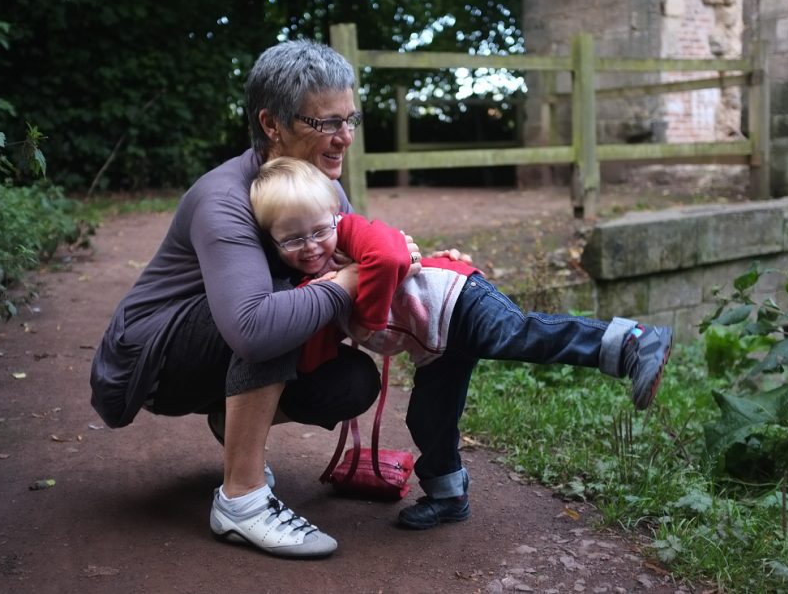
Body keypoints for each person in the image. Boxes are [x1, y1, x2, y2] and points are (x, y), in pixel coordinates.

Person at [89, 40, 427, 558]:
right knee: (275, 307)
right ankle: (241, 501)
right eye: (326, 123)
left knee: (352, 380)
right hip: (151, 361)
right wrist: (348, 282)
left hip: (222, 346)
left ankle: (232, 423)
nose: (345, 137)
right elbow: (256, 328)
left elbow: (361, 270)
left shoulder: (323, 189)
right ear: (272, 124)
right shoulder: (223, 198)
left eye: (350, 119)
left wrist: (413, 267)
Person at [249, 156, 674, 530]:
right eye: (293, 239)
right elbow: (314, 355)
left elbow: (390, 256)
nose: (311, 246)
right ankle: (448, 495)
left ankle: (635, 341)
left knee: (514, 335)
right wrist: (311, 309)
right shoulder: (309, 286)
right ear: (272, 242)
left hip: (456, 298)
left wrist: (365, 317)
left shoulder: (349, 233)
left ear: (336, 217)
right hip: (434, 346)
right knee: (426, 417)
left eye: (319, 230)